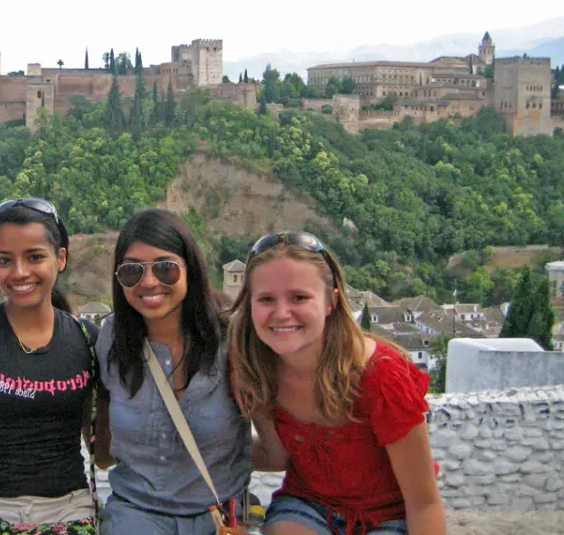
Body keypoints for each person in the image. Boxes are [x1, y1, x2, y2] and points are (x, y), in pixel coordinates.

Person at [227, 232, 445, 535]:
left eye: (299, 297)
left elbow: (423, 502)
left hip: (389, 515)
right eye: (266, 299)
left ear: (331, 302)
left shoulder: (381, 376)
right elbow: (276, 455)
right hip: (307, 507)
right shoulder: (254, 368)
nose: (281, 313)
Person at [0, 198, 98, 535]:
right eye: (5, 260)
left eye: (35, 257)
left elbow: (105, 448)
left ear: (61, 258)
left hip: (68, 507)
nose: (20, 272)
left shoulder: (87, 341)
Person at [94, 208, 252, 535]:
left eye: (166, 268)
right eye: (132, 271)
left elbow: (275, 445)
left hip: (220, 516)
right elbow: (103, 446)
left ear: (189, 269)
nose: (149, 282)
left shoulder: (232, 339)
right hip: (135, 515)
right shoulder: (111, 339)